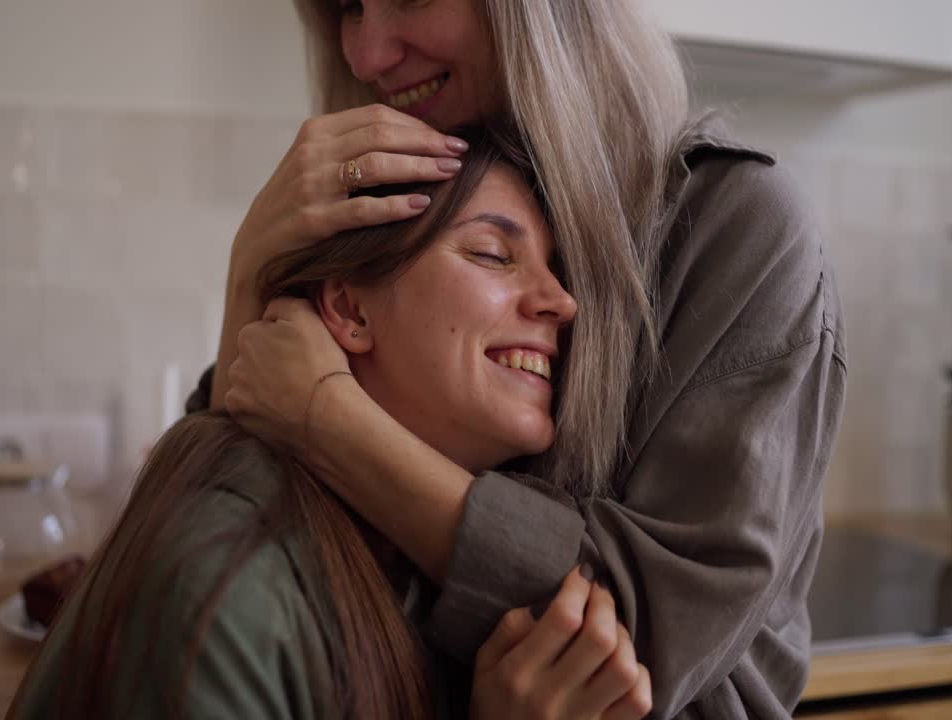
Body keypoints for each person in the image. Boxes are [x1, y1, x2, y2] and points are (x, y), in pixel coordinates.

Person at [194, 0, 847, 716]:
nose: (368, 55)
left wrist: (328, 419)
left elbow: (627, 647)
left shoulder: (742, 226)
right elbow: (209, 529)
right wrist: (249, 269)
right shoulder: (395, 230)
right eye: (348, 7)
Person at [8, 126, 653, 720]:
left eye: (557, 268)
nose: (562, 302)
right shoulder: (229, 592)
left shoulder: (404, 573)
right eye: (491, 253)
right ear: (350, 309)